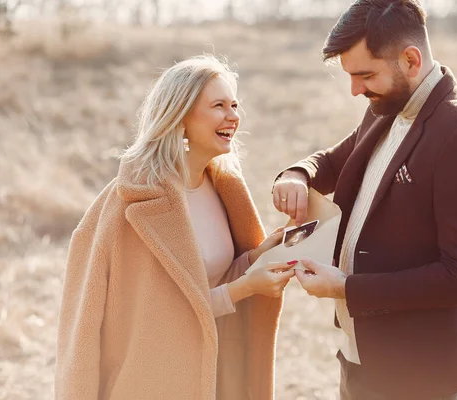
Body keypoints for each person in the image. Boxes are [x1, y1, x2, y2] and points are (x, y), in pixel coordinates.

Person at [272, 1, 457, 399]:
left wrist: (347, 288)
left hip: (415, 372)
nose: (355, 90)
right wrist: (298, 173)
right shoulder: (386, 104)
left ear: (410, 60)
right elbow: (334, 159)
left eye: (365, 75)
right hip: (360, 354)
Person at [54, 55, 296, 400]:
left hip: (214, 375)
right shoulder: (130, 204)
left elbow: (210, 278)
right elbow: (155, 320)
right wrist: (244, 288)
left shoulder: (223, 186)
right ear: (180, 117)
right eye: (218, 105)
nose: (233, 116)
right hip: (150, 384)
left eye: (234, 104)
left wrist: (259, 256)